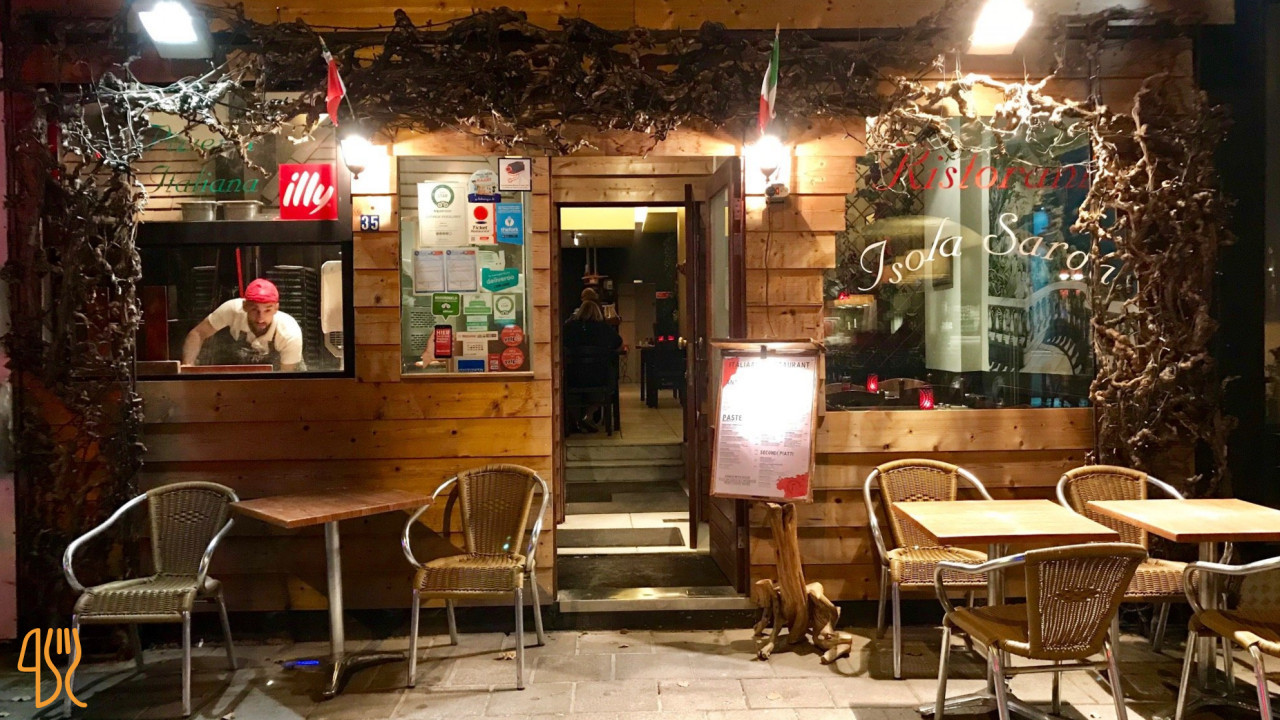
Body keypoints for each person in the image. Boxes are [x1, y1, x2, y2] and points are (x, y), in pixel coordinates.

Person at [182, 278, 304, 371]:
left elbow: (286, 381)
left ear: (276, 308)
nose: (260, 318)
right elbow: (198, 333)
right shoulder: (232, 310)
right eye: (254, 309)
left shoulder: (289, 333)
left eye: (267, 310)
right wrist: (188, 365)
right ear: (245, 306)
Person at [563, 297, 622, 432]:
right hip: (599, 377)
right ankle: (588, 415)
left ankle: (576, 419)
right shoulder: (604, 328)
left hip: (573, 377)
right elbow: (619, 345)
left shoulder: (569, 328)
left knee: (569, 392)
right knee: (609, 380)